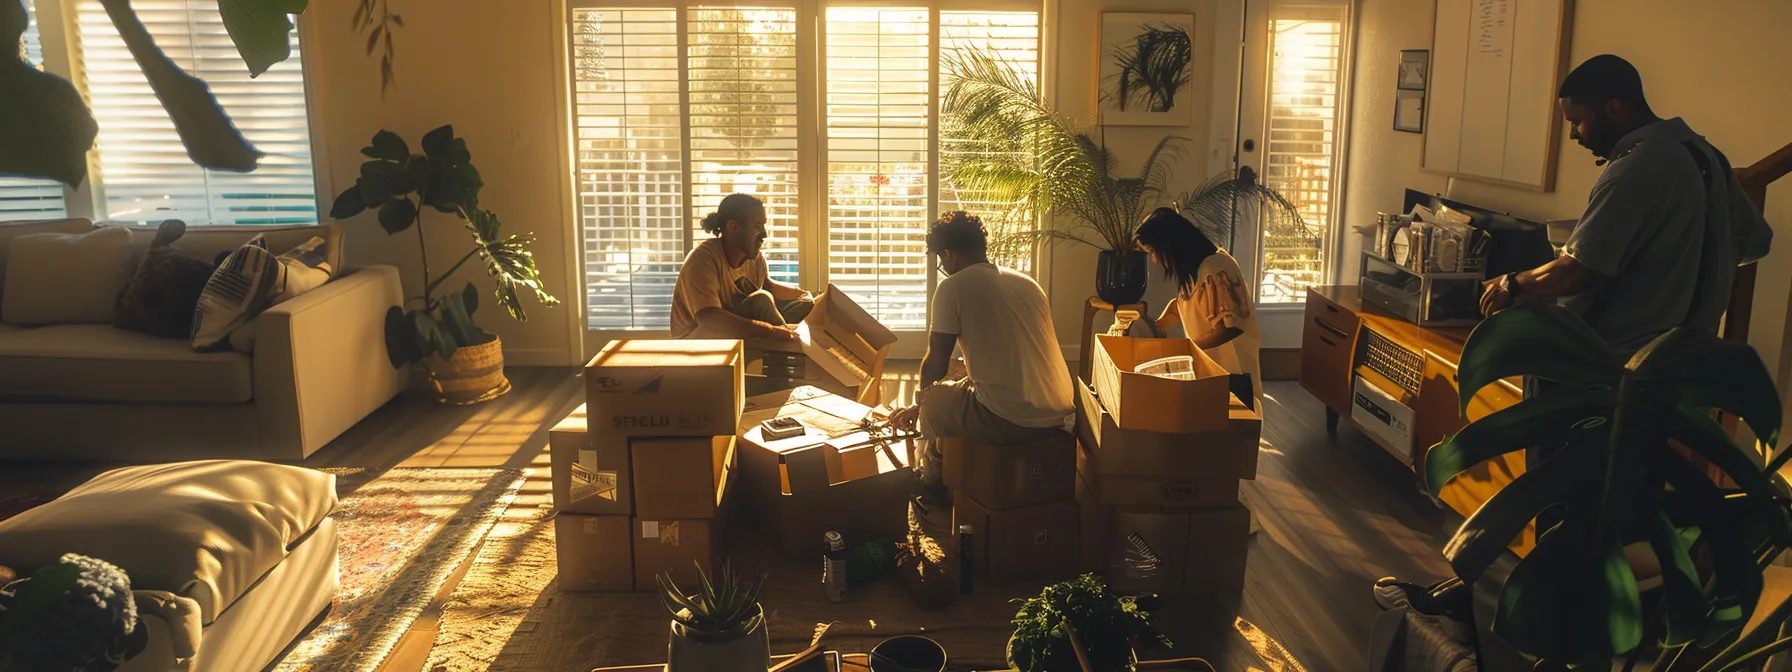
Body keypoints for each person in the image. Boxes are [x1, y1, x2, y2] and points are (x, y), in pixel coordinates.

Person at [1479, 54, 1772, 354]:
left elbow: (1576, 272)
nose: (1572, 134)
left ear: (1613, 108)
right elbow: (1755, 244)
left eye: (1576, 121)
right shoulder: (1706, 155)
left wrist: (1513, 283)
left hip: (1621, 369)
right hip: (1689, 360)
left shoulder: (1636, 167)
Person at [890, 212, 1075, 502]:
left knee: (935, 399)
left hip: (1010, 419)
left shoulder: (952, 287)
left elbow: (935, 363)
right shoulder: (1027, 283)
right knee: (958, 371)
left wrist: (921, 406)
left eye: (941, 260)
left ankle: (931, 484)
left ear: (948, 254)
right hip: (1058, 414)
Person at [1137, 208, 1264, 411]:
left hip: (1235, 378)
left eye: (1153, 252)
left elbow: (1230, 327)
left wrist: (1188, 349)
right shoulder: (1198, 271)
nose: (1154, 260)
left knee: (1227, 435)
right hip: (1215, 375)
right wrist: (1157, 327)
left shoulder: (1215, 267)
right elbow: (1192, 304)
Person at [669, 194, 814, 340]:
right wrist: (771, 330)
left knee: (806, 306)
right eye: (757, 226)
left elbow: (767, 286)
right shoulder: (702, 261)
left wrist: (805, 296)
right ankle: (792, 348)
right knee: (761, 300)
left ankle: (796, 347)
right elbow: (709, 320)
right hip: (696, 345)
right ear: (733, 227)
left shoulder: (753, 258)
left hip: (734, 336)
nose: (764, 234)